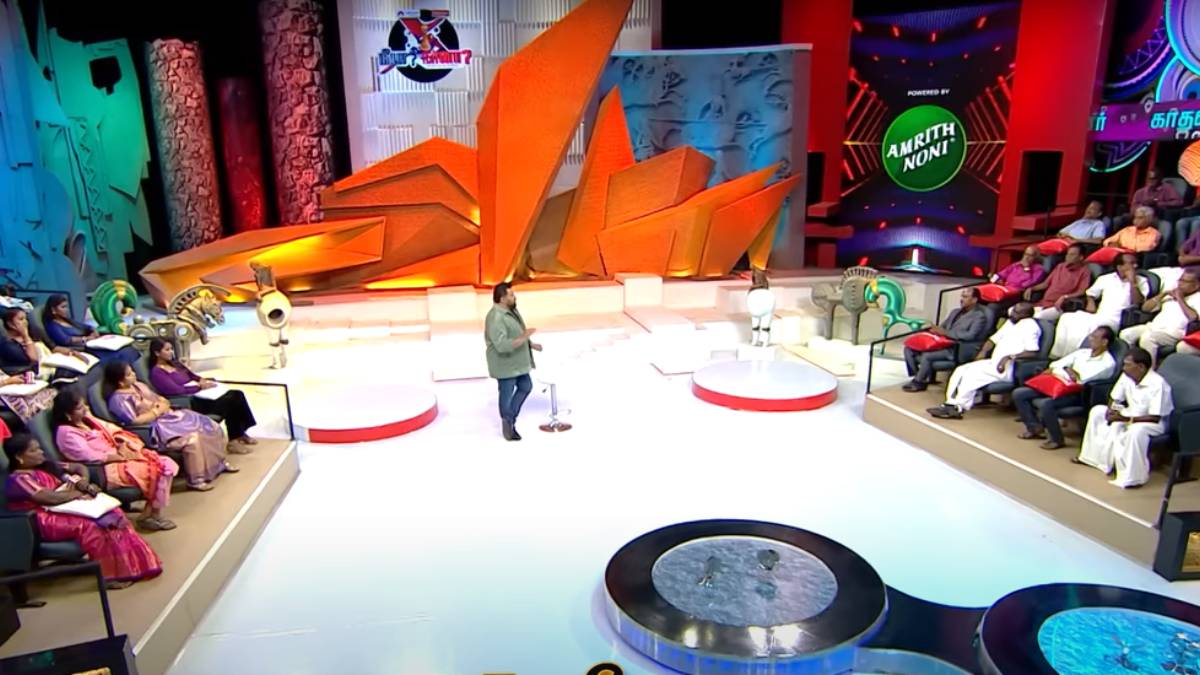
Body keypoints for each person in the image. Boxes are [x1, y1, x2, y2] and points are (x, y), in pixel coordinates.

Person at [4, 434, 162, 588]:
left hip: (65, 507)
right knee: (94, 526)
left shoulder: (46, 466)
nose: (41, 452)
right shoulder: (19, 479)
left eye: (39, 448)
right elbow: (49, 498)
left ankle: (136, 565)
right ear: (19, 457)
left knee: (114, 515)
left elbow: (79, 467)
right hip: (41, 518)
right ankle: (111, 575)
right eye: (33, 450)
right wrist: (80, 493)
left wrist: (83, 482)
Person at [52, 388, 178, 531]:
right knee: (162, 469)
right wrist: (117, 457)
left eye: (85, 405)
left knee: (164, 463)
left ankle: (149, 513)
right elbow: (87, 455)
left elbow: (112, 429)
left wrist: (121, 443)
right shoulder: (66, 433)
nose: (86, 409)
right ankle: (152, 516)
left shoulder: (86, 420)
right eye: (80, 408)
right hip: (106, 468)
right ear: (68, 415)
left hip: (120, 457)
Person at [103, 361, 234, 491]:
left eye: (132, 371)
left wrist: (163, 404)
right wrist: (156, 411)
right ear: (120, 382)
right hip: (157, 427)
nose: (134, 374)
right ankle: (196, 480)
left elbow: (160, 398)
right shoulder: (118, 400)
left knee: (208, 425)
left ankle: (219, 464)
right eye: (129, 374)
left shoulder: (139, 385)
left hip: (171, 417)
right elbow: (134, 421)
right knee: (193, 439)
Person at [1075, 347, 1172, 489]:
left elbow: (1155, 417)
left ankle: (1133, 478)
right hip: (1128, 414)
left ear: (1141, 367)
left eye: (1127, 365)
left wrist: (1125, 419)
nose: (1124, 368)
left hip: (1151, 423)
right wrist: (1111, 410)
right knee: (1097, 411)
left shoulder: (1159, 385)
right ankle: (1091, 458)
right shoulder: (1126, 376)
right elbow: (1115, 398)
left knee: (1136, 432)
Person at [926, 302, 1041, 420]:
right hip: (994, 363)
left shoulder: (1030, 327)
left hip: (1008, 368)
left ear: (1026, 315)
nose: (1013, 313)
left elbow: (1032, 351)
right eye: (1014, 310)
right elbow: (993, 340)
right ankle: (949, 403)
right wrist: (982, 352)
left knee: (972, 376)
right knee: (961, 370)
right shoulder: (1011, 322)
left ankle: (957, 407)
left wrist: (1008, 357)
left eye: (1017, 312)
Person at [1012, 326, 1116, 450]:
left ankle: (1056, 439)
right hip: (1056, 384)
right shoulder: (1082, 353)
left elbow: (1081, 380)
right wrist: (1067, 370)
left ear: (1104, 342)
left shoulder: (1107, 363)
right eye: (1091, 335)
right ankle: (1034, 427)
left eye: (1094, 337)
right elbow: (1055, 365)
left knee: (1046, 404)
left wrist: (1065, 370)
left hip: (1077, 394)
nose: (1090, 339)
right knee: (1020, 393)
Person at [147, 339, 257, 449]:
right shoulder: (157, 372)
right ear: (157, 353)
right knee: (232, 400)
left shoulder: (175, 364)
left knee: (237, 394)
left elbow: (192, 376)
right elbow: (176, 390)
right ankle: (235, 438)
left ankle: (238, 434)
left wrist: (201, 380)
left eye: (171, 349)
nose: (171, 352)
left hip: (202, 394)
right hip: (191, 402)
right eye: (167, 350)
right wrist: (199, 387)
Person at [1050, 253, 1148, 358]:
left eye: (1135, 263)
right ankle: (1057, 354)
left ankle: (1074, 356)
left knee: (1088, 328)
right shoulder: (1106, 278)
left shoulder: (1141, 281)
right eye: (1131, 263)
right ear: (1120, 267)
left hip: (1115, 320)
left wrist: (1133, 283)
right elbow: (1090, 293)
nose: (1135, 266)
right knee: (1067, 318)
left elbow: (1138, 302)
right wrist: (1091, 303)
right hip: (1099, 315)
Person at [902, 287, 990, 392]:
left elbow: (970, 336)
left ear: (974, 300)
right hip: (942, 342)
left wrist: (946, 333)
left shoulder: (979, 317)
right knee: (909, 349)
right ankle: (917, 375)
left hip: (957, 348)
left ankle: (919, 382)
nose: (961, 299)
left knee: (927, 356)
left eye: (965, 297)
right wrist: (933, 330)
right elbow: (942, 327)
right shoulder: (955, 312)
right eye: (961, 296)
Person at [485, 282, 541, 441]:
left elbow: (516, 333)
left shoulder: (511, 311)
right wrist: (524, 337)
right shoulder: (496, 318)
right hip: (505, 365)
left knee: (526, 386)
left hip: (518, 362)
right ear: (502, 299)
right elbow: (502, 345)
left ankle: (511, 417)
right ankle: (508, 423)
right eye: (511, 295)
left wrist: (530, 344)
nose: (514, 297)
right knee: (506, 393)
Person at [1119, 271, 1200, 366]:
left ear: (1196, 285)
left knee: (1148, 338)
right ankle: (1129, 365)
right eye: (1180, 280)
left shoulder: (1197, 298)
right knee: (1126, 334)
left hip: (1173, 332)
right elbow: (1145, 308)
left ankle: (1148, 370)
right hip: (1153, 326)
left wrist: (1180, 299)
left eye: (1185, 281)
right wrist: (1163, 294)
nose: (1180, 284)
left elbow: (1194, 317)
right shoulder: (1171, 295)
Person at [41, 294, 140, 366]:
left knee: (127, 349)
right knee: (119, 354)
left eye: (66, 307)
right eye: (63, 307)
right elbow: (66, 340)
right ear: (53, 310)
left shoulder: (67, 320)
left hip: (93, 342)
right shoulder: (52, 326)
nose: (66, 310)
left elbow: (86, 327)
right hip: (83, 348)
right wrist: (86, 338)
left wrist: (93, 331)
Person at [0, 307, 82, 380]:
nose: (25, 322)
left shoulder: (31, 335)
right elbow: (34, 359)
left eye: (26, 319)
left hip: (49, 365)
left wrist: (72, 353)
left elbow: (51, 349)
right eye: (21, 319)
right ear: (10, 324)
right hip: (29, 375)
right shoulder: (8, 344)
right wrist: (26, 335)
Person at [1023, 244, 1093, 320]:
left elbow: (1082, 291)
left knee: (1036, 317)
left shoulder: (1085, 272)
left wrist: (1065, 297)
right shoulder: (1060, 267)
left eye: (1072, 254)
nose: (1068, 256)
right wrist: (1031, 288)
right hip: (1043, 303)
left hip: (1059, 306)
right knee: (1017, 311)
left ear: (1080, 257)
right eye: (1067, 254)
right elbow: (1045, 284)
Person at [747, 269, 775, 347]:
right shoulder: (768, 292)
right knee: (765, 326)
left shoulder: (752, 291)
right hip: (764, 307)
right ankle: (763, 341)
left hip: (757, 309)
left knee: (756, 325)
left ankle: (756, 341)